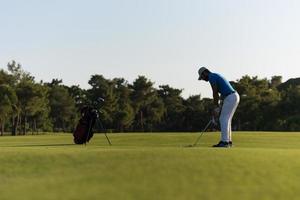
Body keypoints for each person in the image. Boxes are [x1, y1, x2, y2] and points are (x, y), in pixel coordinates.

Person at [198, 67, 240, 148]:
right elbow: (221, 93)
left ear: (205, 73)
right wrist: (219, 105)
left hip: (231, 97)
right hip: (234, 96)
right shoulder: (216, 75)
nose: (203, 79)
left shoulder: (211, 77)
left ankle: (224, 142)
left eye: (202, 77)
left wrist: (216, 106)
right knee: (227, 119)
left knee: (223, 119)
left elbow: (215, 92)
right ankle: (228, 141)